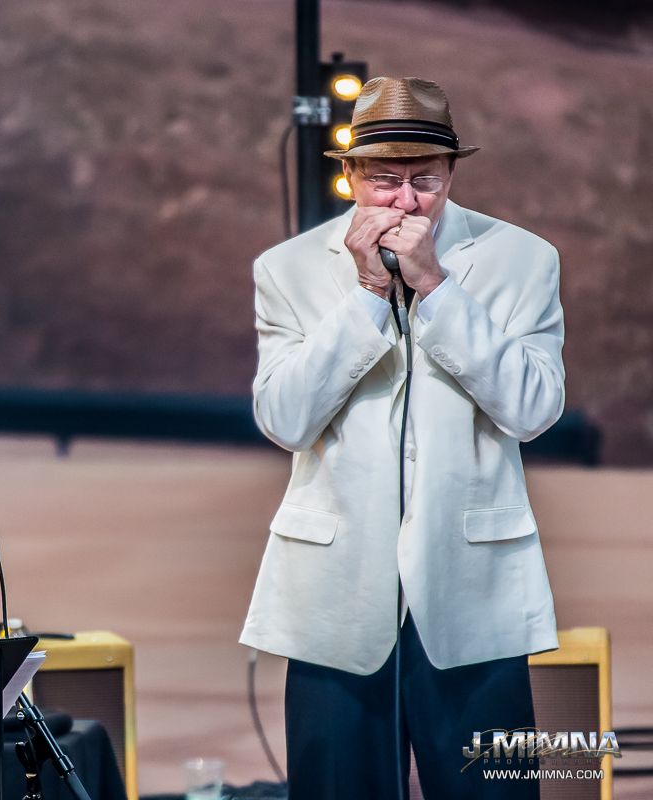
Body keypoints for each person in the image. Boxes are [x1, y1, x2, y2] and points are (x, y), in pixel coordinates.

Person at [240, 77, 564, 799]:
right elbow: (286, 420)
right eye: (384, 181)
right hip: (335, 596)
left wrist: (439, 290)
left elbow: (533, 408)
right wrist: (366, 296)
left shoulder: (523, 259)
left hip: (473, 589)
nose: (406, 202)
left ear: (452, 174)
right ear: (351, 175)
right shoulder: (288, 269)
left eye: (425, 180)